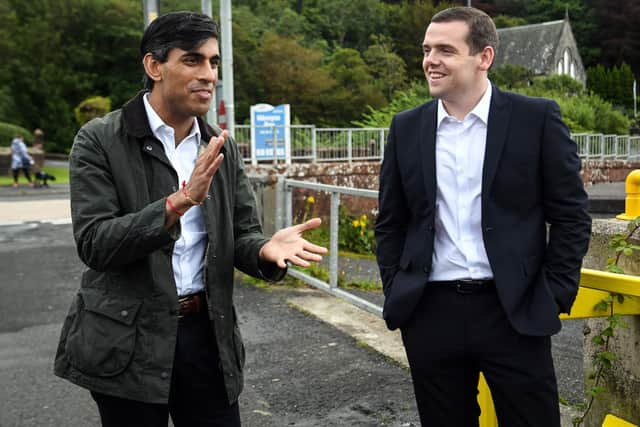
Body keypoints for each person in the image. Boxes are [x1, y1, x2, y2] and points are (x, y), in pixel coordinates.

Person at [54, 11, 327, 427]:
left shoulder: (220, 145)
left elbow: (242, 234)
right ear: (154, 66)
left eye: (213, 62)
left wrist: (265, 250)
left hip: (207, 334)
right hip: (127, 340)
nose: (208, 74)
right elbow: (95, 243)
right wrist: (179, 202)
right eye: (192, 60)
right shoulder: (100, 140)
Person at [375, 7, 591, 426]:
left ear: (484, 57)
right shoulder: (406, 127)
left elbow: (571, 215)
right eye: (426, 49)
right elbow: (392, 221)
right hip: (430, 313)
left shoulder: (536, 118)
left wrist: (554, 294)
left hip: (514, 311)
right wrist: (396, 287)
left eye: (445, 50)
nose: (430, 60)